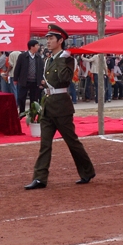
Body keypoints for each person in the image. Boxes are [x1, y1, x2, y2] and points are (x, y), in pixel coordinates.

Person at [24, 24, 96, 190]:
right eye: (47, 38)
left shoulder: (68, 59)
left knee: (72, 141)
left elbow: (64, 79)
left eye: (51, 38)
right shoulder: (49, 59)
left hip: (61, 106)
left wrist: (63, 58)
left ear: (60, 40)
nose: (48, 41)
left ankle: (87, 171)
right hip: (48, 104)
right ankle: (40, 178)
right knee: (45, 144)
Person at [13, 39, 45, 114]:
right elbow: (17, 68)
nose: (38, 47)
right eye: (37, 45)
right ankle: (22, 113)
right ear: (31, 47)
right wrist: (15, 79)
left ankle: (32, 114)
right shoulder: (22, 56)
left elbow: (41, 69)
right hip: (24, 81)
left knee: (34, 99)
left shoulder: (38, 57)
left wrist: (41, 80)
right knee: (22, 98)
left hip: (35, 81)